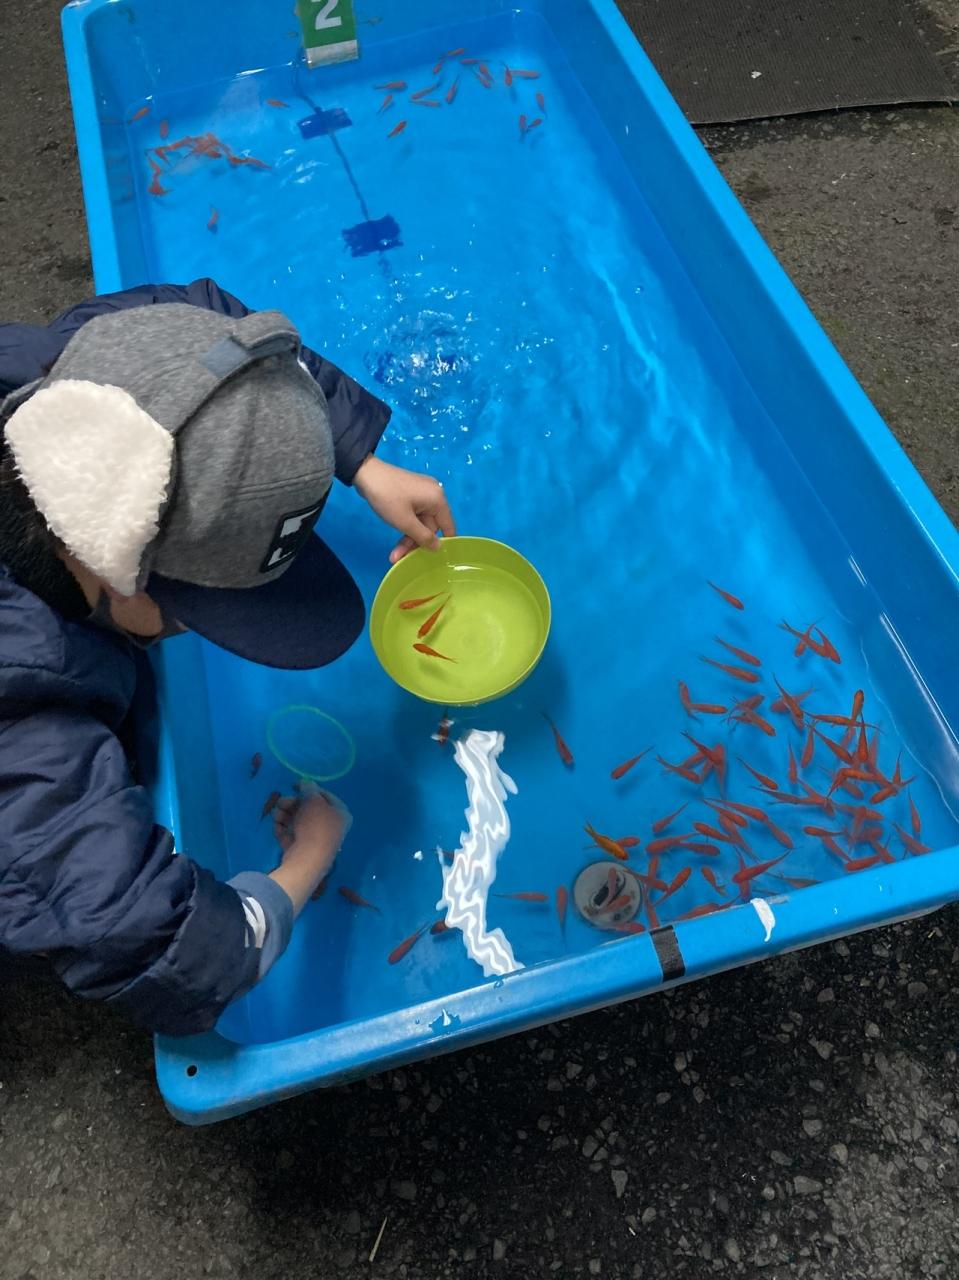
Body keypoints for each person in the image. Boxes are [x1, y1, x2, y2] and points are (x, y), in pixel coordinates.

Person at [0, 278, 456, 1035]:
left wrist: (359, 460)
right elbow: (158, 944)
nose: (193, 629)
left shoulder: (64, 373)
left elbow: (223, 332)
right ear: (115, 574)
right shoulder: (25, 719)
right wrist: (308, 859)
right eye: (197, 612)